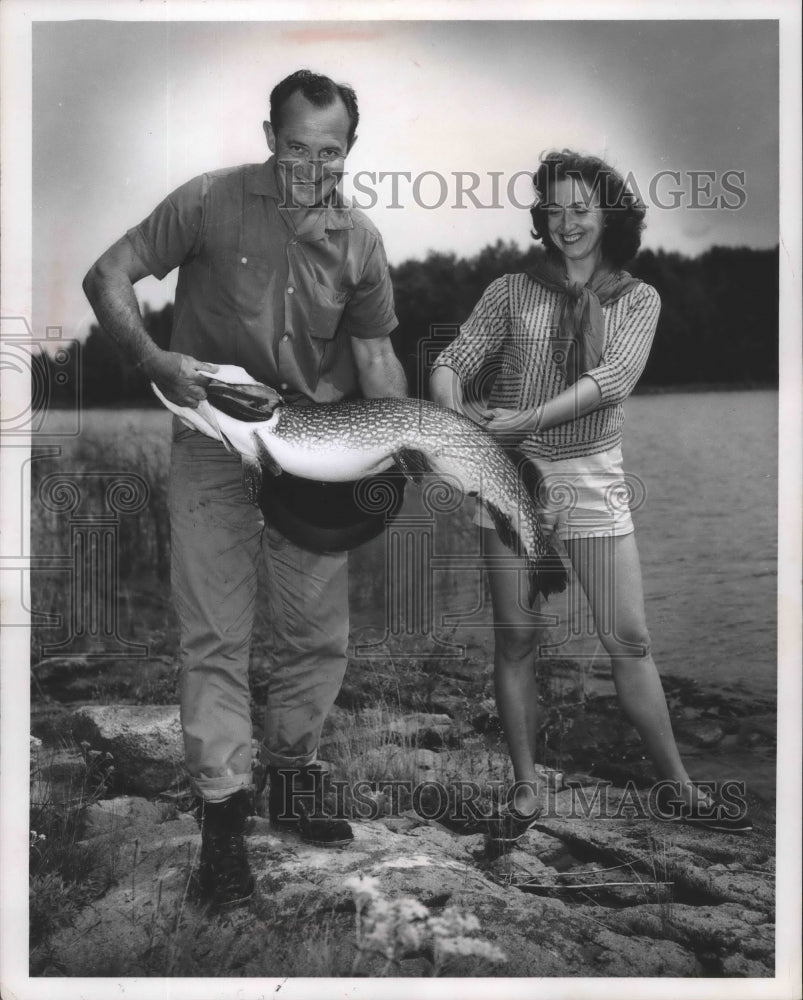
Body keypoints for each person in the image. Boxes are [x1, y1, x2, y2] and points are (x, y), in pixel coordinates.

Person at [83, 70, 408, 906]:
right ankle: (223, 827)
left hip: (311, 450)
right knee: (214, 635)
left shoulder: (361, 241)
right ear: (270, 137)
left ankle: (293, 773)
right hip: (210, 443)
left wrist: (406, 436)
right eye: (296, 146)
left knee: (315, 632)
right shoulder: (206, 201)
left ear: (349, 151)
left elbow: (374, 360)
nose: (310, 165)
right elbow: (108, 274)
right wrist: (150, 359)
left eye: (328, 151)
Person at [430, 149, 751, 842]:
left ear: (607, 213)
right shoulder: (509, 291)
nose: (567, 222)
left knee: (628, 640)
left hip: (592, 477)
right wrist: (456, 425)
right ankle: (523, 793)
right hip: (508, 475)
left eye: (581, 207)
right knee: (516, 639)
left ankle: (678, 789)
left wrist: (528, 418)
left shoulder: (637, 297)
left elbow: (613, 378)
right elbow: (450, 361)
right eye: (554, 208)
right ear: (540, 217)